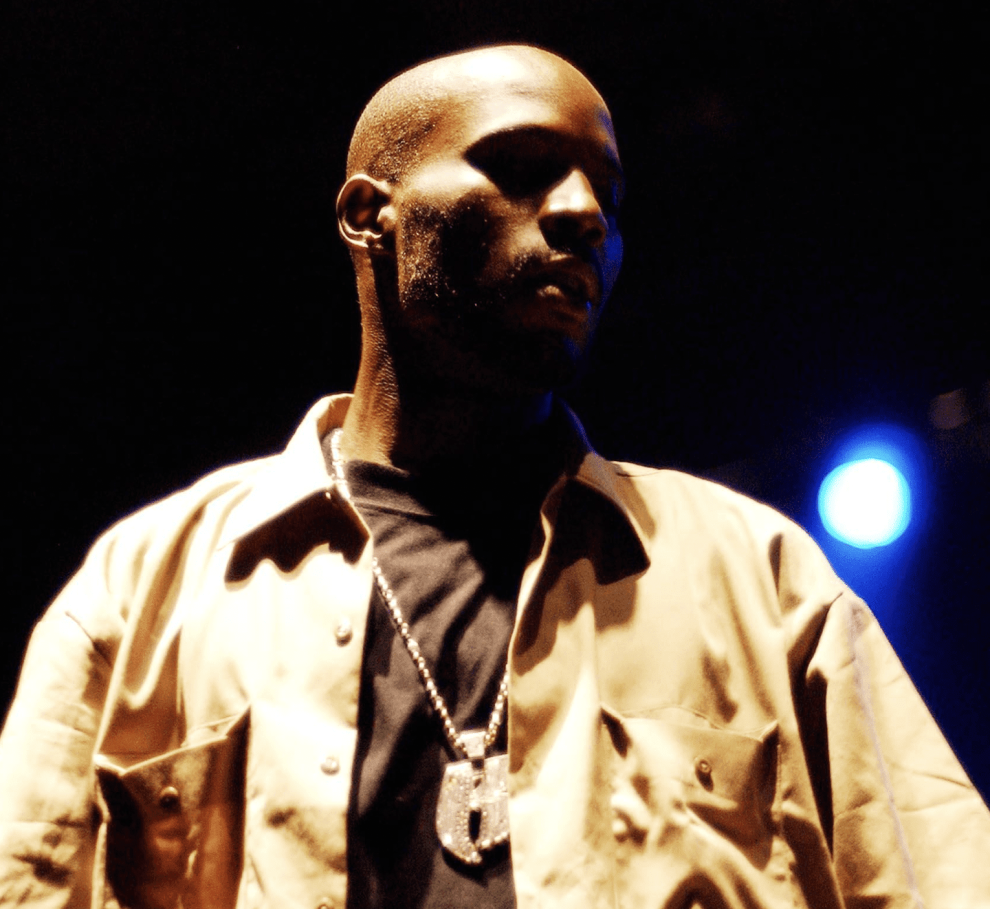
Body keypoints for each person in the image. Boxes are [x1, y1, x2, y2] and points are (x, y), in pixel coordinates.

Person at [0, 43, 987, 909]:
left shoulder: (762, 579)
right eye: (520, 168)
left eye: (607, 193)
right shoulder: (146, 589)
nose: (583, 213)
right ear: (370, 216)